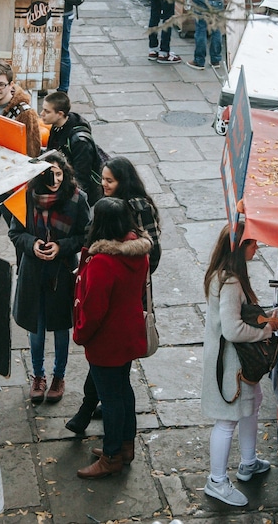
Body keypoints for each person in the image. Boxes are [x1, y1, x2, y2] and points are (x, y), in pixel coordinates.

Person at [66, 156, 162, 433]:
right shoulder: (109, 208)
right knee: (113, 372)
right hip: (121, 292)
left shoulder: (133, 209)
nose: (104, 184)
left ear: (123, 181)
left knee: (109, 367)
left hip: (125, 297)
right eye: (103, 179)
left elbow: (150, 252)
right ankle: (93, 414)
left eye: (110, 180)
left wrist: (126, 279)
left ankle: (104, 431)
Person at [72, 197, 152, 479]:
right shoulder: (138, 253)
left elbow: (94, 309)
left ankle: (111, 455)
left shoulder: (103, 263)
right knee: (123, 391)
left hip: (106, 341)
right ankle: (125, 446)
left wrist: (80, 333)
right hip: (128, 334)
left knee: (111, 399)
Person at [201, 223, 278, 506]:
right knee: (227, 420)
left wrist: (264, 317)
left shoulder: (224, 275)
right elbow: (232, 330)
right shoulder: (231, 282)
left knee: (251, 406)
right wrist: (265, 331)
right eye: (253, 243)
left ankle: (248, 462)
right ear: (239, 247)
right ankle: (217, 482)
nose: (257, 248)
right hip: (231, 366)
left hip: (234, 364)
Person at [9, 152, 90, 404]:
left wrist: (61, 247)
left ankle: (59, 376)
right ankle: (38, 375)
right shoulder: (26, 197)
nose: (54, 179)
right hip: (33, 272)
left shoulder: (77, 199)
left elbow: (85, 236)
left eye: (59, 173)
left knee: (61, 326)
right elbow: (15, 232)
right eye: (49, 174)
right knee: (37, 325)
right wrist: (33, 244)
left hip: (62, 272)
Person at [0, 62, 43, 254]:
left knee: (17, 230)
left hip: (11, 182)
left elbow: (33, 148)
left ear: (11, 85)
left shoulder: (24, 112)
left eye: (0, 84)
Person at [40, 91, 102, 205]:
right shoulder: (57, 125)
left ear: (60, 114)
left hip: (78, 194)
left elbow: (82, 178)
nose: (41, 113)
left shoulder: (80, 142)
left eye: (47, 111)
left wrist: (73, 204)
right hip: (63, 180)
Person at [44, 0, 78, 92]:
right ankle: (46, 84)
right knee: (48, 48)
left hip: (64, 11)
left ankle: (63, 88)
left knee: (63, 50)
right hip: (51, 8)